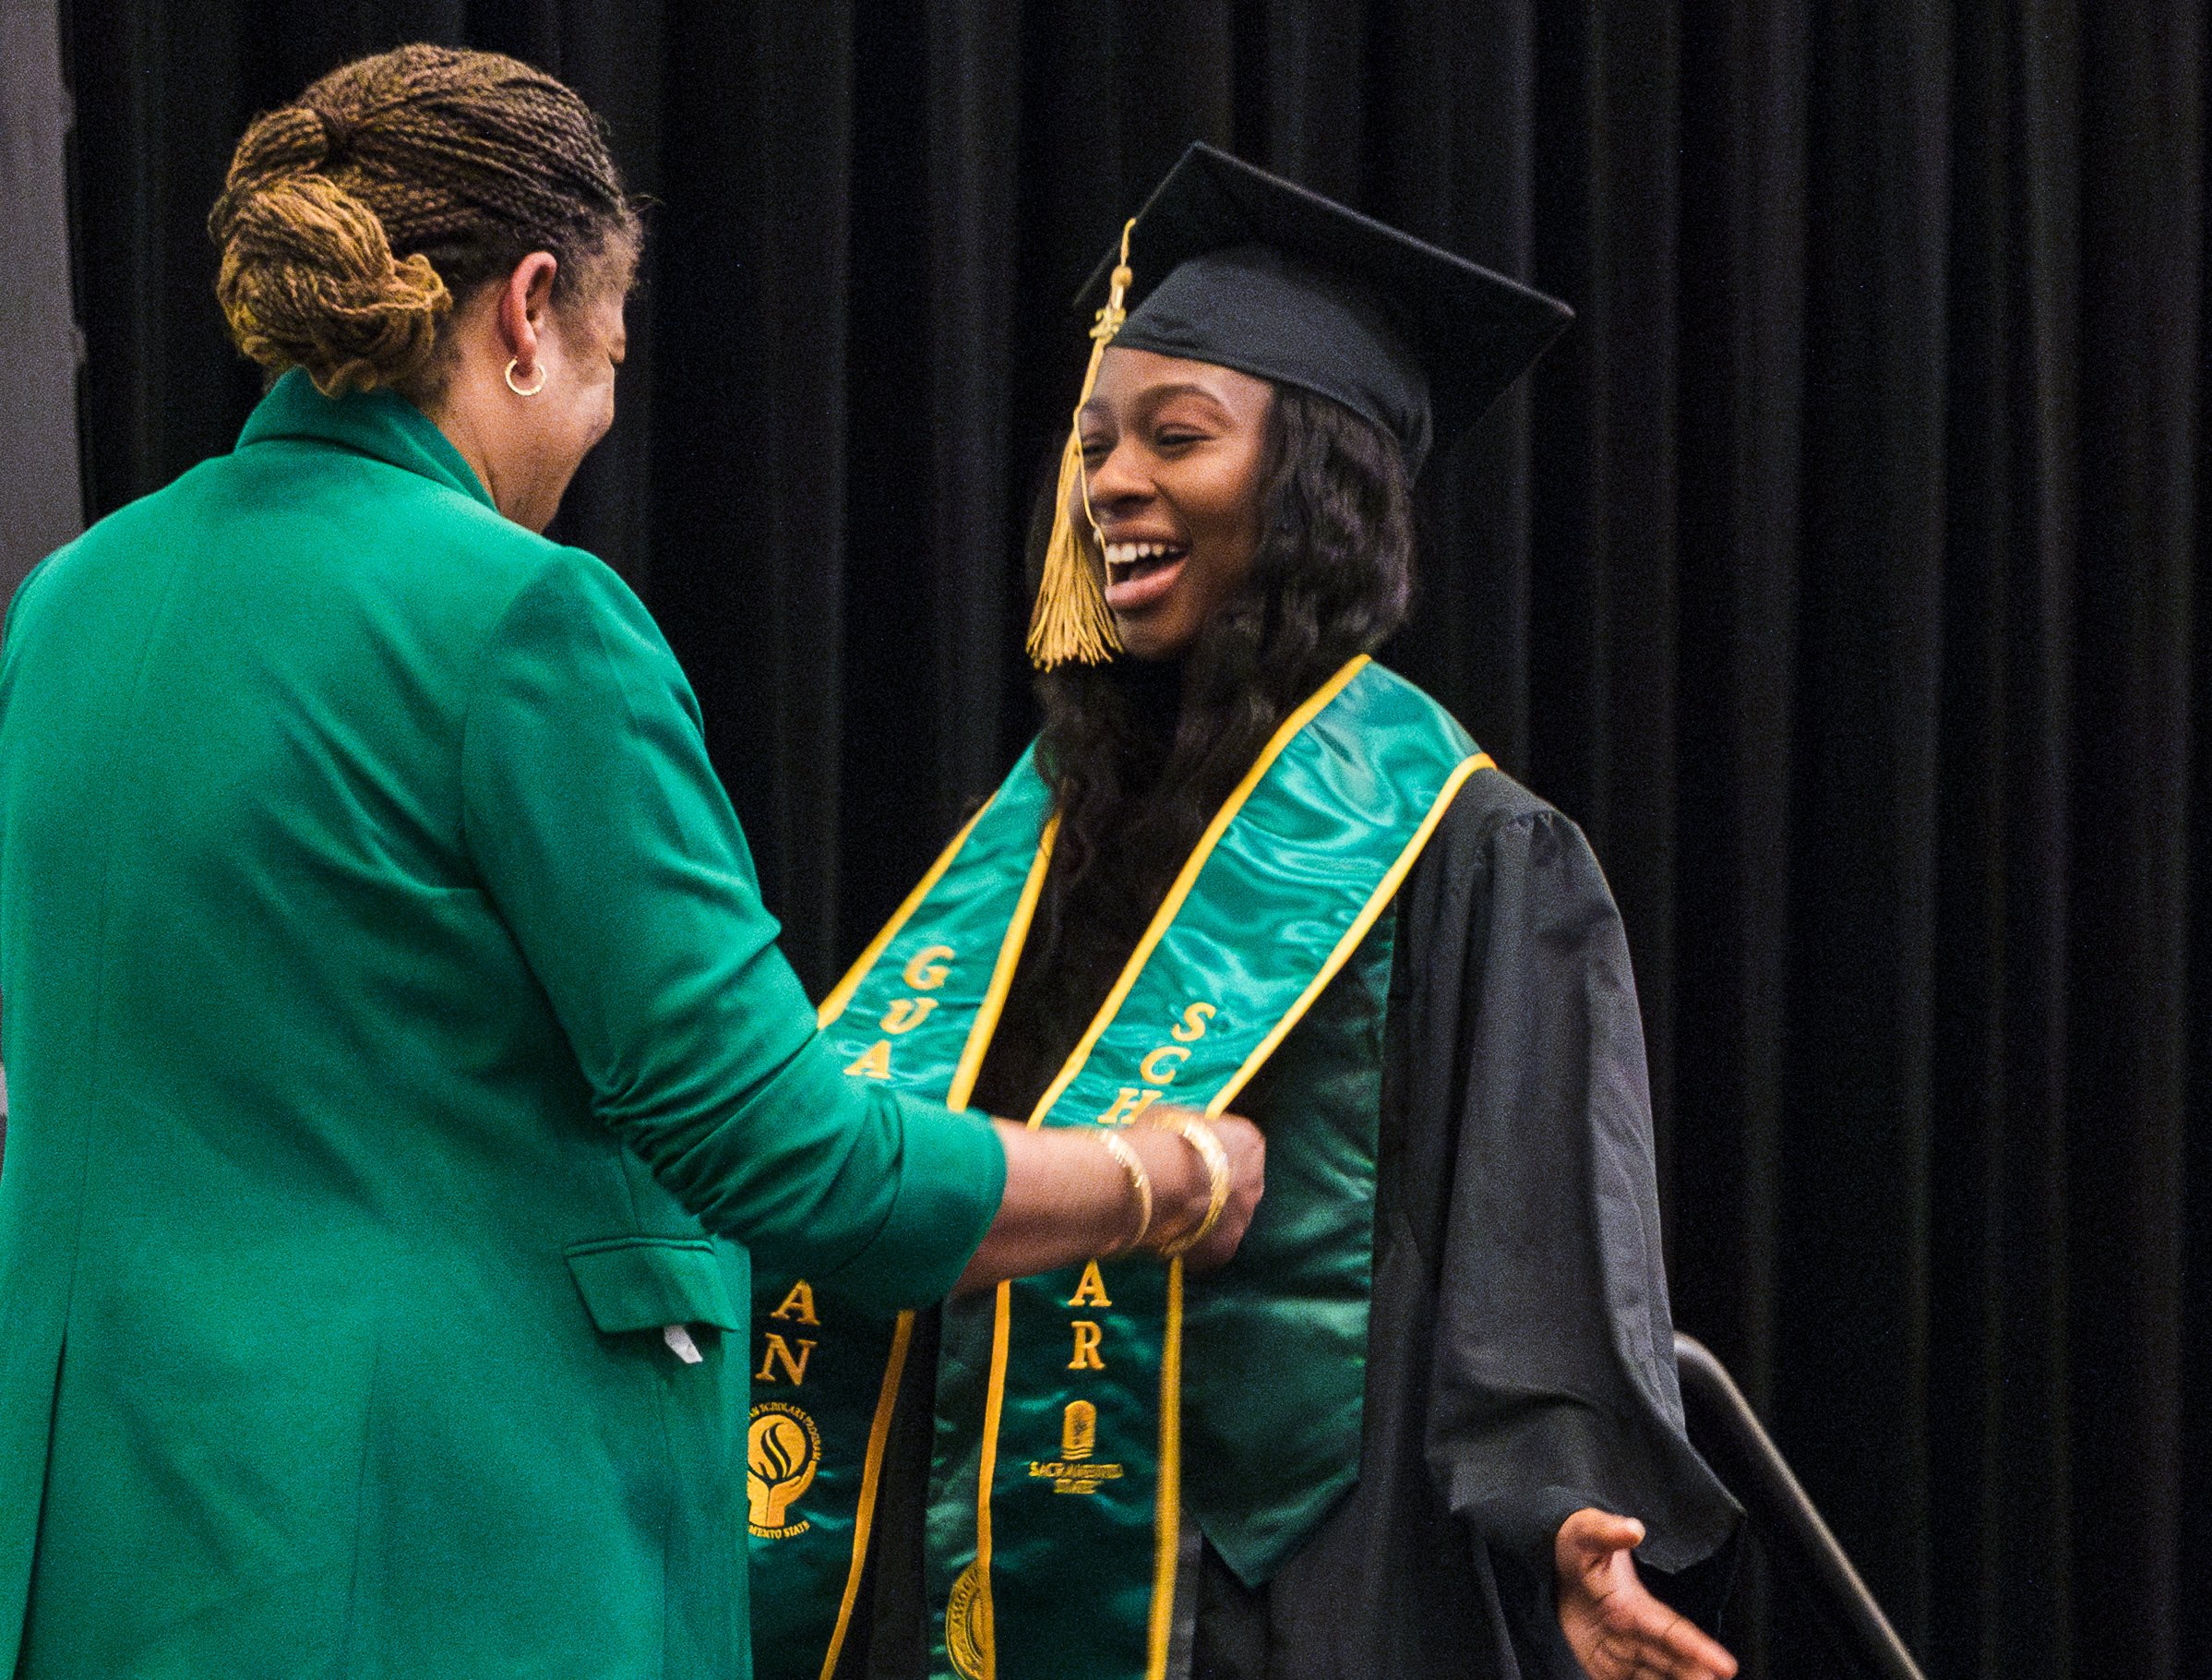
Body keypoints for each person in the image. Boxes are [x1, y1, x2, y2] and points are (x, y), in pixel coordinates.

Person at [0, 50, 1260, 1680]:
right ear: (527, 311)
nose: (599, 414)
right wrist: (1161, 1178)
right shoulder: (524, 621)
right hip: (431, 1568)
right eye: (605, 351)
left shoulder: (74, 601)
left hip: (99, 1565)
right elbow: (784, 1152)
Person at [745, 146, 1741, 1680]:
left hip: (1284, 1585)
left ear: (1312, 488)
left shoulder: (1467, 849)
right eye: (1093, 442)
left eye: (1176, 435)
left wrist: (1570, 1518)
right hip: (955, 1560)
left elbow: (1538, 1239)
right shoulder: (1031, 838)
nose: (1111, 483)